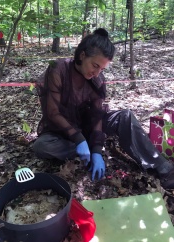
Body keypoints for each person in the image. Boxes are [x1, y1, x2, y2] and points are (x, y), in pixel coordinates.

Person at [33, 28, 174, 189]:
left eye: (102, 69)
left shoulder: (97, 79)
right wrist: (79, 140)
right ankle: (85, 149)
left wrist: (97, 150)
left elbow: (97, 115)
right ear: (82, 55)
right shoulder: (58, 69)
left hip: (87, 128)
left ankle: (163, 167)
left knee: (125, 116)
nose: (97, 72)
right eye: (95, 65)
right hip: (61, 131)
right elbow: (52, 113)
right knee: (41, 146)